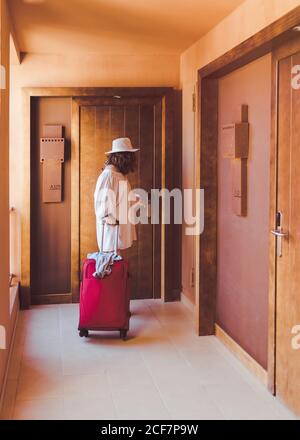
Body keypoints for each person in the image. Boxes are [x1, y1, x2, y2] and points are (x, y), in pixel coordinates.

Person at [94, 137, 139, 254]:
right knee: (111, 267)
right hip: (111, 234)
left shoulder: (119, 175)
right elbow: (101, 206)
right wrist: (112, 220)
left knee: (117, 267)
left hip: (118, 232)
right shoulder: (108, 176)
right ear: (124, 158)